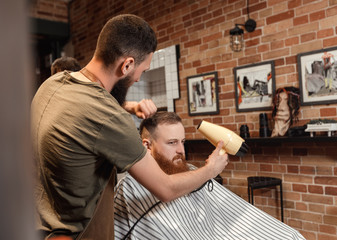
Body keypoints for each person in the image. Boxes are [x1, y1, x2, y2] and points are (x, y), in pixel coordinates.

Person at [31, 14, 228, 239]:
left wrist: (129, 106)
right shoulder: (109, 117)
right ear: (127, 65)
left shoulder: (52, 84)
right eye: (141, 72)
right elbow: (166, 188)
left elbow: (85, 110)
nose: (138, 80)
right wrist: (211, 169)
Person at [114, 112, 305, 240]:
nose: (181, 150)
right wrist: (209, 171)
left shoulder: (190, 170)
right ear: (147, 146)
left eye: (183, 141)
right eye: (172, 143)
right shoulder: (130, 187)